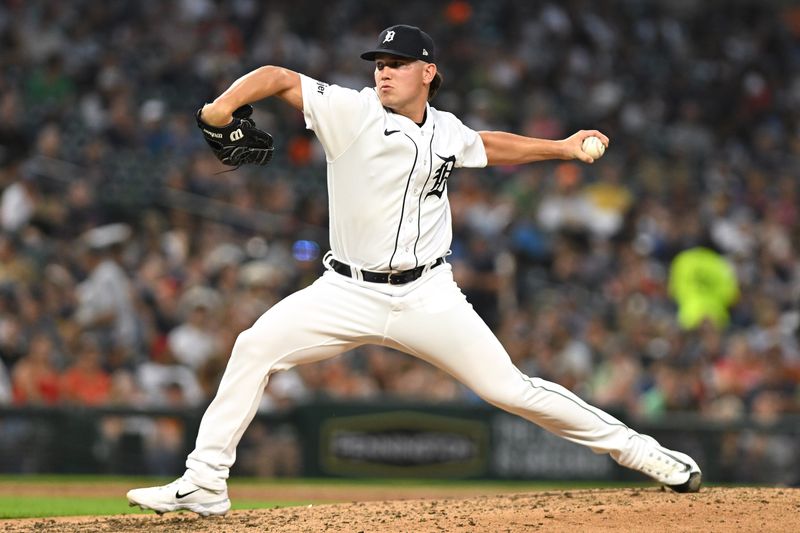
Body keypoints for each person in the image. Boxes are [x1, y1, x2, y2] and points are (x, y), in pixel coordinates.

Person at [128, 24, 701, 516]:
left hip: (428, 295)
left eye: (397, 64)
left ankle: (638, 450)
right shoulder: (350, 112)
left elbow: (487, 145)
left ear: (428, 71)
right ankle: (205, 481)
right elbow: (277, 76)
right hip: (344, 290)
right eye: (379, 63)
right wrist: (217, 109)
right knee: (254, 346)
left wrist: (563, 148)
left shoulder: (446, 129)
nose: (383, 73)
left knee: (511, 389)